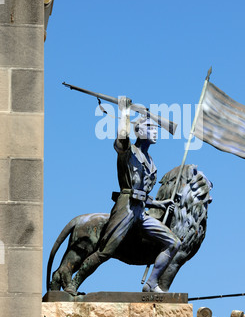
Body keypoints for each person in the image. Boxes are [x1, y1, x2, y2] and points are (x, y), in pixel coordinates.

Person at [65, 97, 181, 295]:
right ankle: (73, 284)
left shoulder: (151, 162)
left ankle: (151, 283)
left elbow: (144, 194)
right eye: (151, 128)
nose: (155, 132)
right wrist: (124, 113)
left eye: (156, 128)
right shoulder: (128, 152)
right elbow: (121, 138)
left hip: (140, 212)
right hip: (125, 207)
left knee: (174, 242)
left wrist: (161, 204)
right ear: (139, 131)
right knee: (105, 251)